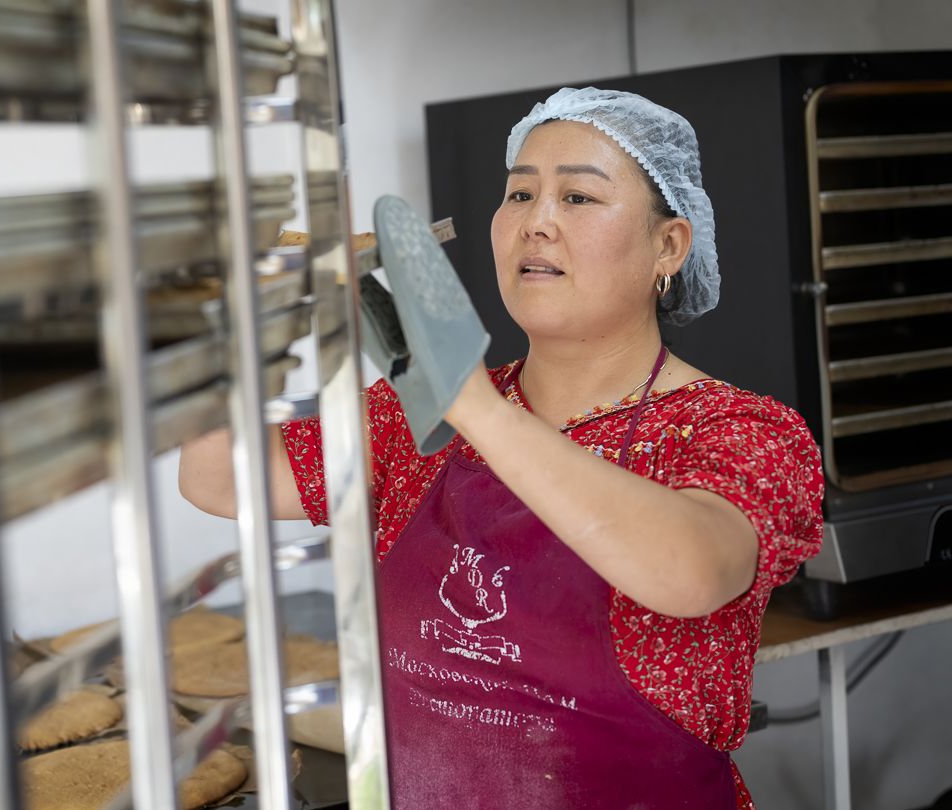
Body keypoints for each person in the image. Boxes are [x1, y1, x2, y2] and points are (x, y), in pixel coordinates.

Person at [179, 87, 824, 808]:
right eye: (519, 193)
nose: (536, 222)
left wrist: (469, 402)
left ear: (668, 246)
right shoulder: (409, 418)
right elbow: (215, 478)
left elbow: (691, 570)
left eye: (578, 198)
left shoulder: (740, 432)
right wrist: (230, 328)